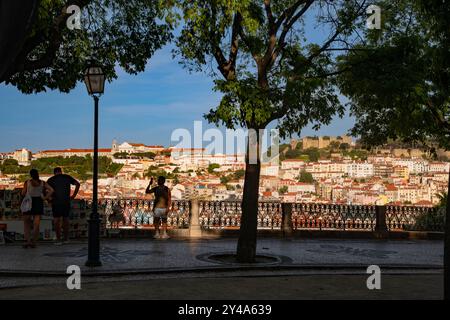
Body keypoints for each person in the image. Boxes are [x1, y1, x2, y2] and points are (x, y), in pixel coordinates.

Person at [21, 169, 54, 248]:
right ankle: (34, 242)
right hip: (38, 202)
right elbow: (52, 190)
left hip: (29, 202)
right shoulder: (42, 183)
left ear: (31, 175)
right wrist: (45, 198)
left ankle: (28, 241)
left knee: (27, 224)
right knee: (36, 224)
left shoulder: (27, 182)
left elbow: (23, 193)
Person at [47, 167, 80, 245]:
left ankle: (58, 239)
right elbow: (77, 184)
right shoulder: (67, 177)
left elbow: (44, 190)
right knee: (66, 220)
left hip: (55, 202)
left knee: (56, 221)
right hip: (66, 201)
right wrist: (73, 195)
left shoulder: (51, 180)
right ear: (61, 172)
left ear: (54, 172)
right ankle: (66, 238)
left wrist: (49, 199)